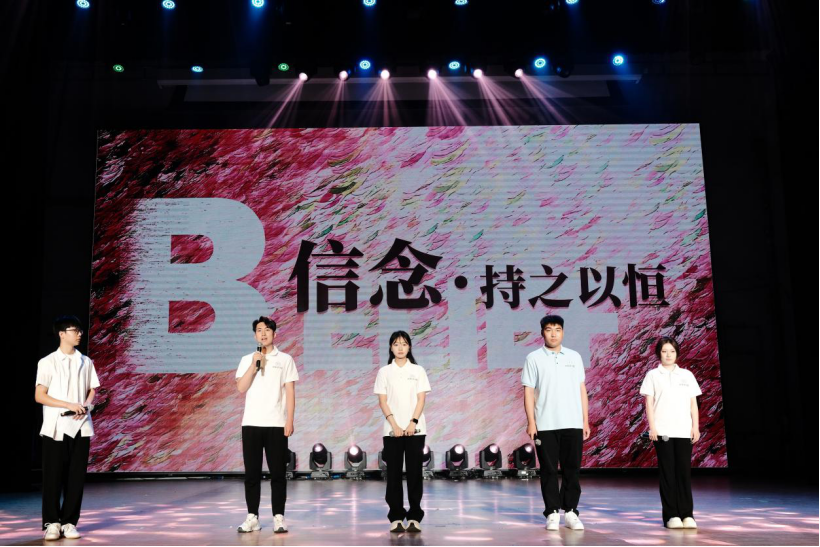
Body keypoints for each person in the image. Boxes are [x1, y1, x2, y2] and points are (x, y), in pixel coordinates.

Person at [522, 315, 590, 532]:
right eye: (549, 329)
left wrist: (585, 420)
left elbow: (581, 389)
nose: (553, 334)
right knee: (549, 470)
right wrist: (531, 422)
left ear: (563, 332)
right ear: (542, 332)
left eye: (557, 329)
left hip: (573, 422)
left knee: (572, 469)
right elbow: (528, 391)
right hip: (545, 424)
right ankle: (552, 512)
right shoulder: (533, 358)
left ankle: (570, 512)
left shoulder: (574, 356)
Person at [35, 316, 100, 541]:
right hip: (56, 426)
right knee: (53, 476)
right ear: (62, 334)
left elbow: (92, 388)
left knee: (76, 477)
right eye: (75, 330)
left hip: (81, 426)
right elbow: (40, 396)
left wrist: (86, 404)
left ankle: (69, 522)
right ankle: (51, 522)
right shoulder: (48, 362)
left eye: (80, 330)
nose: (79, 334)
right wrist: (68, 405)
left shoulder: (86, 361)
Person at [235, 316, 298, 534]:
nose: (263, 333)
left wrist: (289, 419)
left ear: (274, 334)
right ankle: (252, 517)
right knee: (251, 474)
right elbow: (241, 388)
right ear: (255, 335)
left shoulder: (285, 359)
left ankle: (278, 517)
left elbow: (290, 391)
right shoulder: (247, 359)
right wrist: (254, 366)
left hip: (276, 424)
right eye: (259, 330)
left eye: (267, 330)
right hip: (251, 423)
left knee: (278, 474)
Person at [640, 336, 701, 529]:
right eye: (665, 351)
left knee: (683, 473)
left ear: (677, 353)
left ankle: (687, 514)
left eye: (672, 351)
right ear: (659, 353)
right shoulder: (652, 375)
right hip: (663, 431)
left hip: (684, 430)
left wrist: (695, 427)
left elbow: (693, 404)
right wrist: (653, 427)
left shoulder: (687, 375)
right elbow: (649, 404)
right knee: (668, 473)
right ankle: (671, 515)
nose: (668, 355)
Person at [374, 331, 431, 533]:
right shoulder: (384, 372)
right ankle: (396, 516)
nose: (400, 348)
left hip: (416, 430)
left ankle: (415, 516)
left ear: (409, 347)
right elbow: (383, 401)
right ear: (391, 347)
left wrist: (412, 423)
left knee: (415, 474)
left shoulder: (418, 370)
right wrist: (394, 425)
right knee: (394, 474)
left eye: (404, 344)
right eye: (396, 344)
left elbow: (421, 399)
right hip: (392, 431)